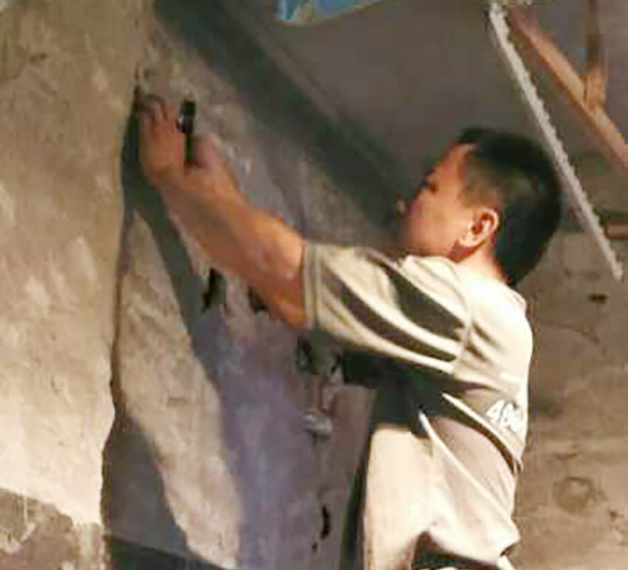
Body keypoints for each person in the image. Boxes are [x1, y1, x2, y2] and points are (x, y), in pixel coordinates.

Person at [138, 95, 562, 570]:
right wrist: (221, 196)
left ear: (478, 226)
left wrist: (172, 178)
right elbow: (293, 300)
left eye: (430, 187)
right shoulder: (485, 323)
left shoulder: (465, 305)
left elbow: (285, 269)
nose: (406, 203)